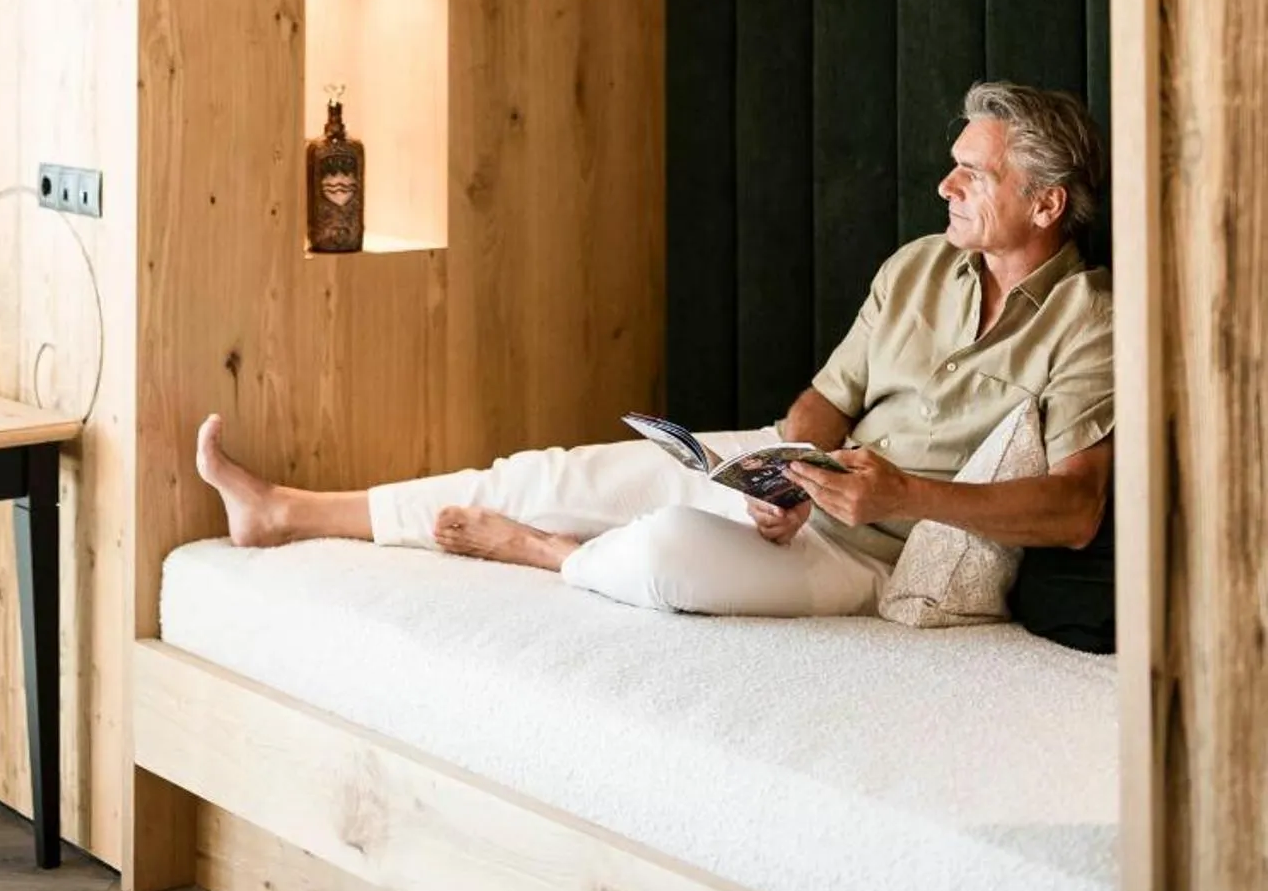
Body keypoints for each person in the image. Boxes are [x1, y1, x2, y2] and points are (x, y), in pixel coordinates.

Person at [195, 80, 1114, 617]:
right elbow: (825, 400)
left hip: (871, 552)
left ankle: (543, 555)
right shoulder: (918, 266)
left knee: (669, 550)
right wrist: (783, 468)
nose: (945, 182)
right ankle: (290, 511)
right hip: (803, 484)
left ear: (1045, 203)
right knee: (556, 469)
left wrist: (899, 493)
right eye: (954, 161)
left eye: (975, 172)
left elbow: (1075, 510)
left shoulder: (1091, 319)